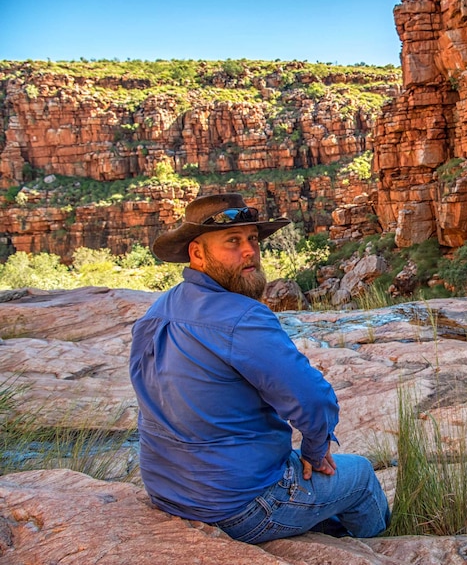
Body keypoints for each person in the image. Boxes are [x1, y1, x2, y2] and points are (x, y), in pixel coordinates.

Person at [129, 193, 389, 544]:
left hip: (169, 494)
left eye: (252, 239)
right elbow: (312, 400)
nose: (250, 250)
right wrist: (315, 450)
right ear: (197, 253)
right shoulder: (243, 318)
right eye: (232, 241)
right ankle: (383, 550)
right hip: (241, 506)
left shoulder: (158, 310)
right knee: (359, 475)